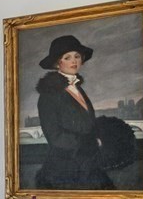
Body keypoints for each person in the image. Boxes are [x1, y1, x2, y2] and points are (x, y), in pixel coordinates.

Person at [34, 35, 114, 189]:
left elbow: (86, 122)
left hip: (87, 162)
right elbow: (54, 135)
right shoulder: (49, 94)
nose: (74, 61)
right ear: (58, 62)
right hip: (65, 166)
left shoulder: (77, 89)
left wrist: (97, 138)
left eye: (77, 56)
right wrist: (87, 144)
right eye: (67, 57)